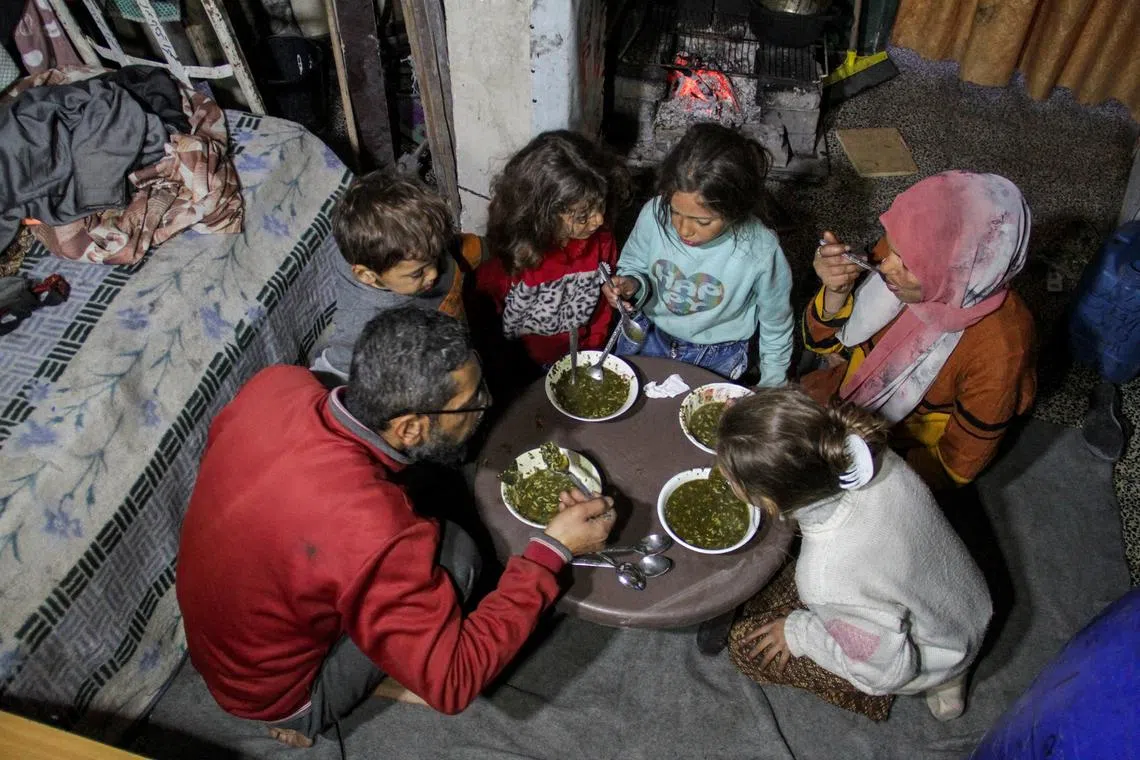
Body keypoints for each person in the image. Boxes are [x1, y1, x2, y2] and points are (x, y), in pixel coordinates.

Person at [176, 307, 616, 748]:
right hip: (278, 694)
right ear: (408, 427)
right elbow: (453, 684)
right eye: (472, 404)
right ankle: (316, 713)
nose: (484, 405)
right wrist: (553, 549)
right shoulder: (377, 532)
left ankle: (387, 646)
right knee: (458, 554)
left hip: (218, 637)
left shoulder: (277, 384)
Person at [717, 387, 992, 721]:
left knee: (744, 648)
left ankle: (936, 684)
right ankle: (951, 673)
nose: (723, 475)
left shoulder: (823, 577)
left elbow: (882, 673)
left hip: (921, 656)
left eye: (727, 475)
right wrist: (751, 421)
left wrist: (800, 632)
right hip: (964, 603)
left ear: (770, 503)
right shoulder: (872, 457)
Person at [802, 170, 1036, 490]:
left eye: (907, 263)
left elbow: (955, 466)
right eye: (892, 249)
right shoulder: (901, 254)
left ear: (958, 270)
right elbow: (822, 343)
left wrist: (858, 472)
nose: (885, 266)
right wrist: (835, 292)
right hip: (844, 390)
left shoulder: (1000, 348)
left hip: (901, 451)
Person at [601, 123, 793, 385]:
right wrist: (631, 284)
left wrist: (772, 383)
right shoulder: (653, 214)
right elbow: (634, 264)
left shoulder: (760, 249)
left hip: (716, 355)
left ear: (735, 210)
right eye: (675, 212)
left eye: (702, 222)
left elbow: (776, 323)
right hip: (649, 336)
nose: (683, 229)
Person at [473, 130, 631, 370]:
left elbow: (599, 304)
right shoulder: (512, 254)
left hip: (584, 354)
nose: (599, 220)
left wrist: (595, 347)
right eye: (582, 216)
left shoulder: (602, 239)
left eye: (601, 205)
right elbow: (487, 316)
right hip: (525, 363)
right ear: (544, 213)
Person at [310, 172, 486, 381]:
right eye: (418, 273)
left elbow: (464, 248)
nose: (434, 273)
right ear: (368, 275)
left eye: (436, 257)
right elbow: (335, 373)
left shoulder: (411, 248)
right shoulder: (362, 324)